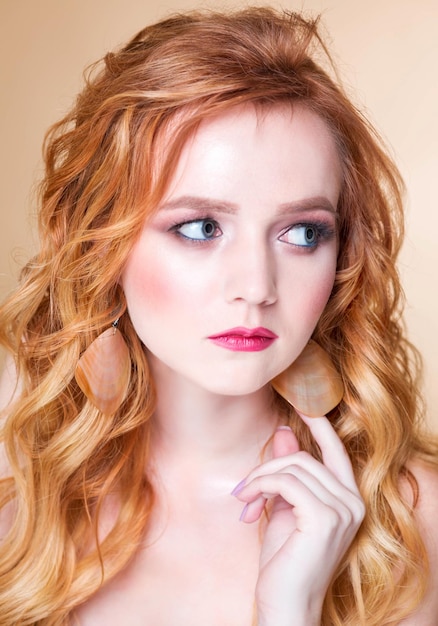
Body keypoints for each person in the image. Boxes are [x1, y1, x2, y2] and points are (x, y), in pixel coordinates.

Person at [0, 7, 437, 625]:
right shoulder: (19, 483)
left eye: (303, 233)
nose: (257, 287)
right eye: (201, 227)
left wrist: (291, 611)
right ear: (102, 242)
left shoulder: (412, 523)